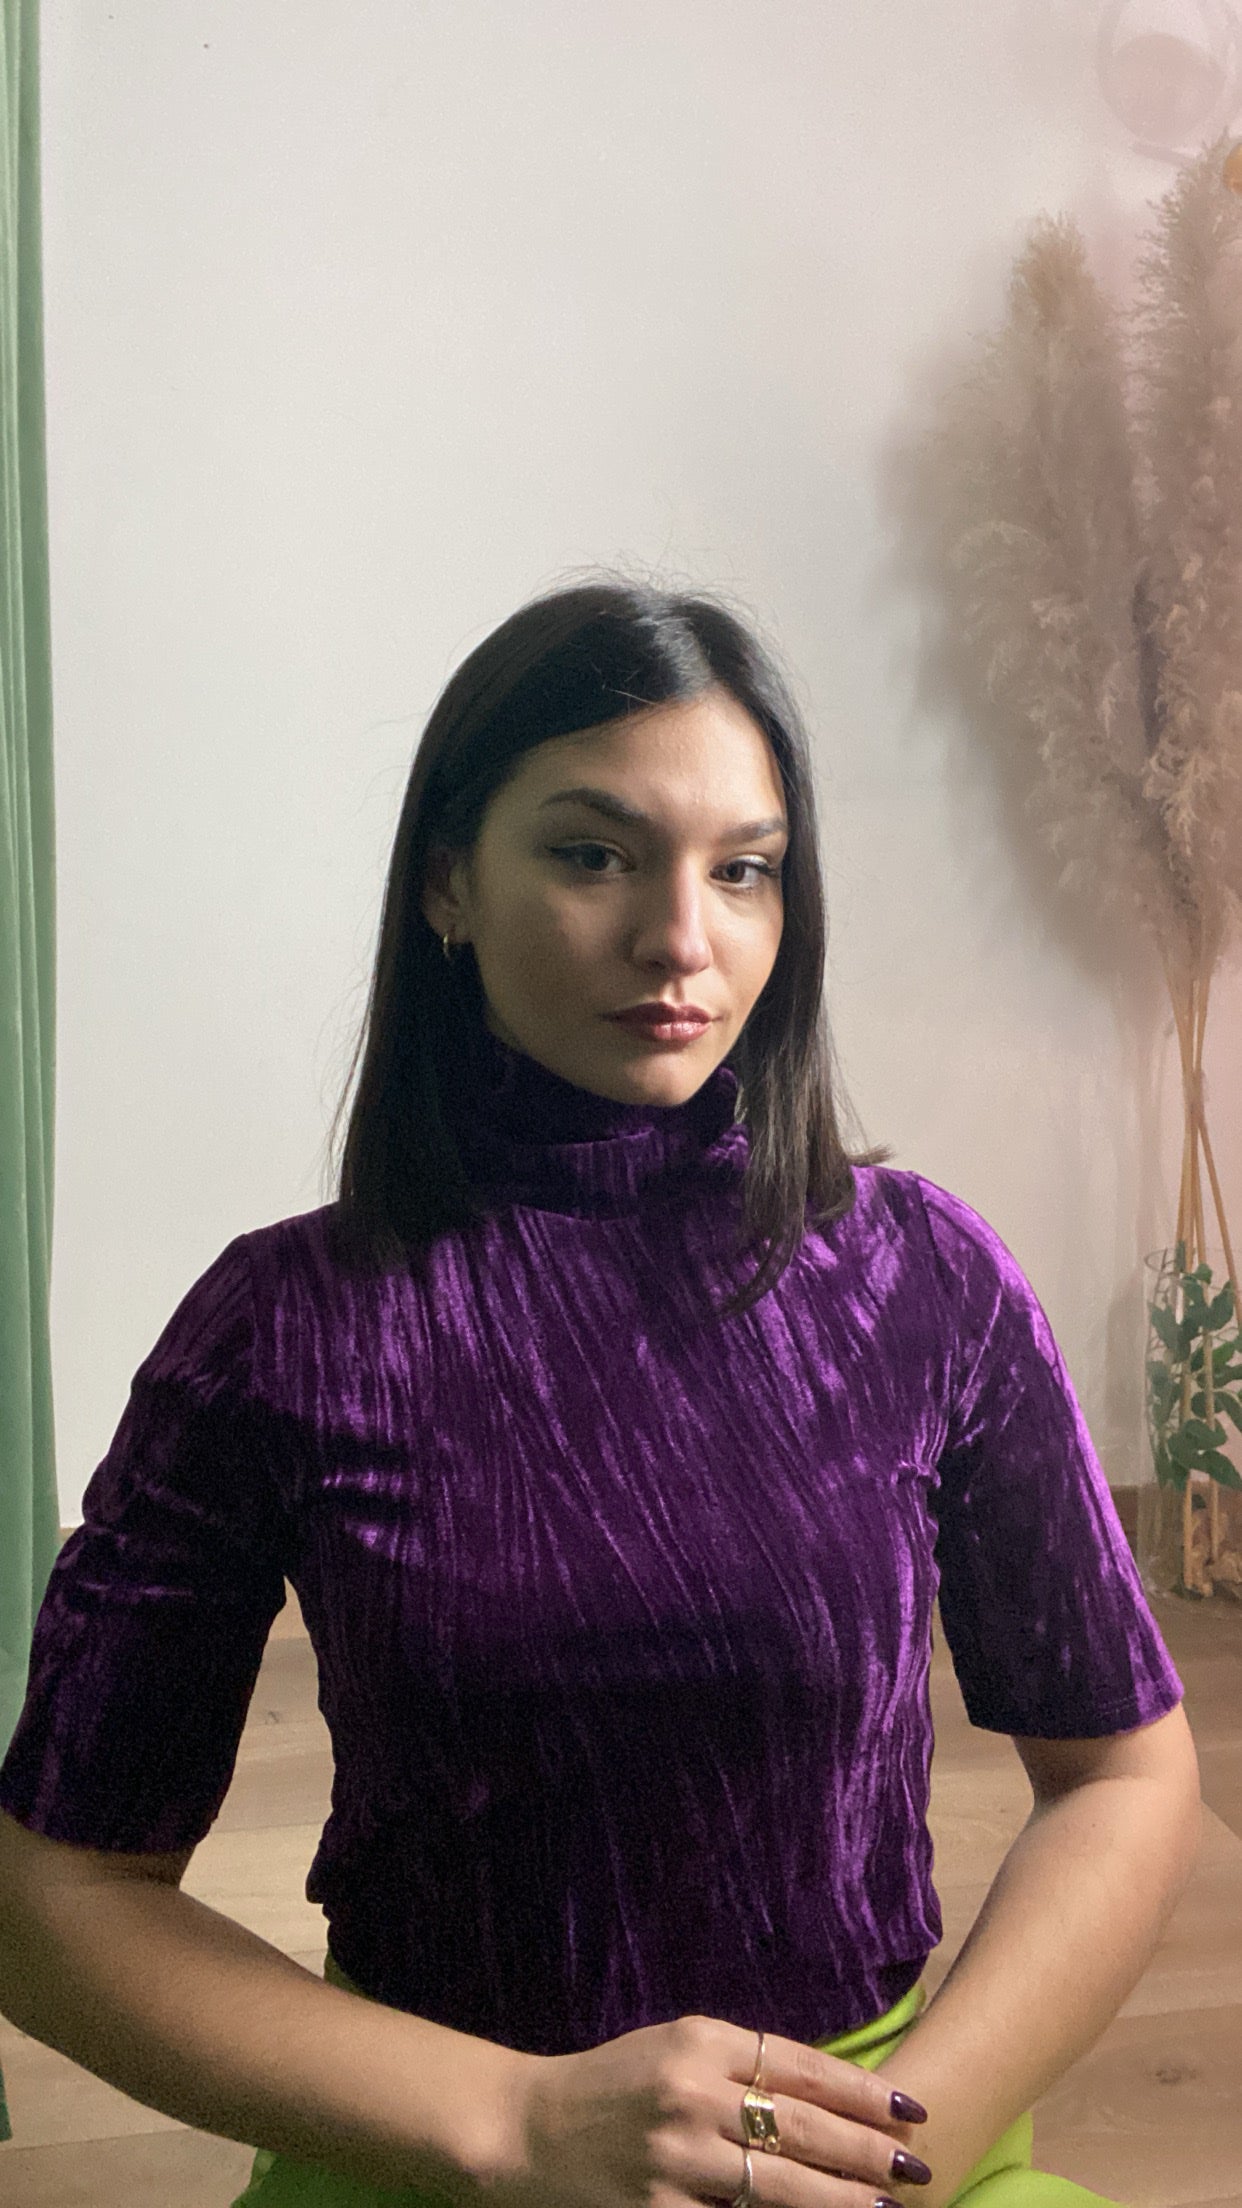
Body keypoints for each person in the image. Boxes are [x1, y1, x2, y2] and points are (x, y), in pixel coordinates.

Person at [0, 575, 1200, 2208]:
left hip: (881, 2146)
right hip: (432, 2150)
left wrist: (879, 2155)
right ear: (446, 879)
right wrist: (514, 2123)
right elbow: (57, 1896)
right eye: (592, 854)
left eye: (743, 869)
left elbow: (1122, 1774)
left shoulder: (925, 1282)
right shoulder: (280, 1329)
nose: (680, 939)